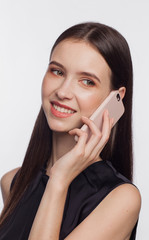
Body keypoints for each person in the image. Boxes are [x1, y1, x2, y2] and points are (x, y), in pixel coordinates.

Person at [0, 22, 141, 240]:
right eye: (57, 71)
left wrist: (59, 180)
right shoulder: (13, 182)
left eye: (87, 81)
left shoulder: (120, 199)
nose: (63, 91)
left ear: (116, 98)